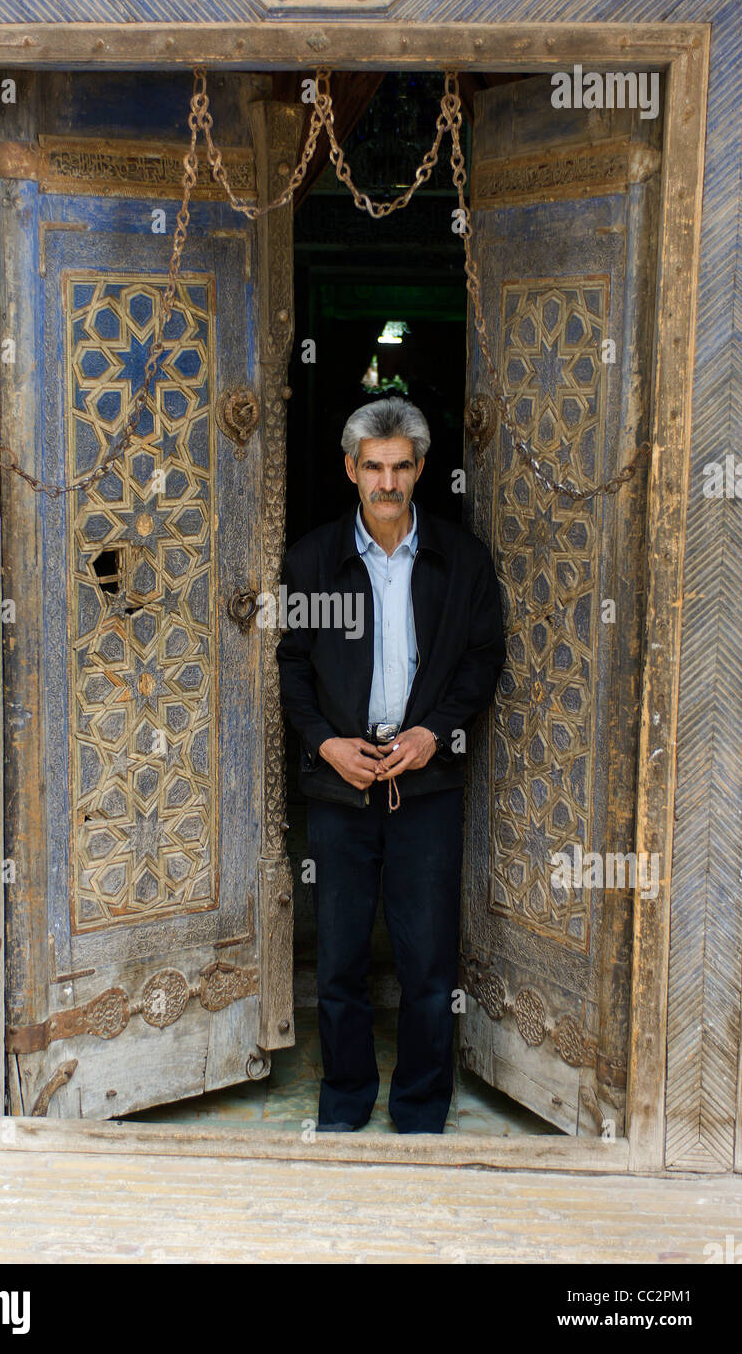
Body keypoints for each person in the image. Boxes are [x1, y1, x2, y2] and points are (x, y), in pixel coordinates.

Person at [276, 396, 506, 1133]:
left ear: (420, 470)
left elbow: (480, 659)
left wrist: (434, 732)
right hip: (340, 788)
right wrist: (323, 743)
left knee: (427, 967)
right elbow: (290, 665)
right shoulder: (312, 560)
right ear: (350, 470)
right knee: (340, 963)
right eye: (372, 467)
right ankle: (344, 1102)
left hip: (424, 787)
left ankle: (417, 1111)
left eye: (400, 466)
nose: (386, 482)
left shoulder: (459, 559)